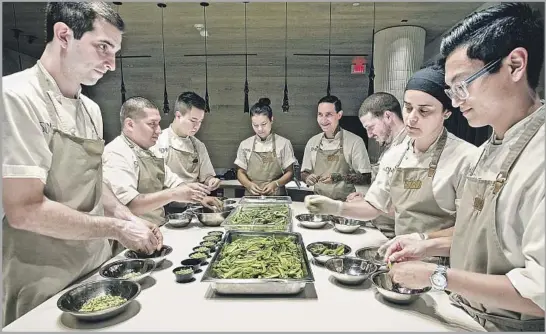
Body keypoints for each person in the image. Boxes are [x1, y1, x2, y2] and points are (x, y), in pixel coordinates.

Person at [384, 3, 545, 331]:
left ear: (515, 65)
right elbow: (477, 235)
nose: (455, 102)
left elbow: (538, 294)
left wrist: (437, 276)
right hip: (461, 313)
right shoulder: (487, 150)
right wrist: (426, 244)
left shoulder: (539, 157)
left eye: (462, 85)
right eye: (451, 90)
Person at [2, 2, 161, 326]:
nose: (112, 64)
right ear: (63, 35)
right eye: (103, 47)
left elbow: (94, 180)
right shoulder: (16, 97)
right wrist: (117, 228)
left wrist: (128, 217)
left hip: (96, 268)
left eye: (115, 51)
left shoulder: (90, 109)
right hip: (42, 274)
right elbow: (24, 210)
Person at [305, 65, 478, 249]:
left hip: (444, 265)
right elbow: (374, 206)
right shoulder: (395, 155)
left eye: (424, 111)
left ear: (447, 113)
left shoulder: (466, 158)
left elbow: (471, 230)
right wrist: (336, 208)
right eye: (408, 107)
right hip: (401, 254)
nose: (411, 118)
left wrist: (423, 241)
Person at [103, 96, 216, 228]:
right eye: (152, 124)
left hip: (156, 227)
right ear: (130, 124)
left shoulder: (151, 151)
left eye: (158, 124)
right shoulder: (117, 153)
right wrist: (173, 194)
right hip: (132, 234)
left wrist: (200, 197)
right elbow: (129, 205)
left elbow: (174, 182)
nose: (158, 130)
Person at [346, 92, 408, 238]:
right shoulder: (389, 147)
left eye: (370, 127)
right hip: (381, 231)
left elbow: (410, 207)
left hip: (401, 237)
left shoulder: (410, 148)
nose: (369, 135)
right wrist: (367, 197)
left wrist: (371, 204)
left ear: (388, 116)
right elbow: (390, 194)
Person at [301, 95, 372, 201]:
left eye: (328, 115)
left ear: (339, 115)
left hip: (346, 204)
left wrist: (337, 177)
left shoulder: (355, 141)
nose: (323, 120)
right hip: (319, 202)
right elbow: (304, 172)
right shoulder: (312, 142)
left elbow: (366, 177)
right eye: (320, 115)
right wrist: (307, 177)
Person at [153, 91, 221, 190]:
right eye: (193, 120)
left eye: (200, 121)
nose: (196, 126)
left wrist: (211, 181)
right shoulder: (158, 142)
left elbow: (206, 177)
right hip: (165, 203)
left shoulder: (198, 146)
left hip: (194, 202)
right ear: (178, 115)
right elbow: (157, 180)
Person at [234, 98, 296, 196]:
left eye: (263, 124)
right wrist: (248, 184)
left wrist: (276, 184)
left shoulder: (284, 143)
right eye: (255, 125)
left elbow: (290, 173)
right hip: (251, 197)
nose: (260, 129)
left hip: (277, 197)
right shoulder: (245, 144)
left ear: (271, 120)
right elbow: (240, 172)